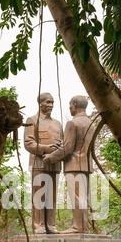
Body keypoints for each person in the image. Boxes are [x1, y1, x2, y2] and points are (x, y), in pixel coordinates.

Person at [43, 95, 94, 233]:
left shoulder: (72, 123)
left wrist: (50, 157)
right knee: (83, 197)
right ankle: (82, 226)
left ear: (75, 105)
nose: (69, 108)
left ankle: (78, 227)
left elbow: (67, 148)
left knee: (77, 197)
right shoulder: (90, 123)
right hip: (86, 166)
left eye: (70, 105)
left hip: (74, 165)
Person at [24, 92, 63, 234]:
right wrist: (47, 148)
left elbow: (63, 143)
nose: (51, 105)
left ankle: (50, 225)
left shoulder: (58, 124)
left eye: (52, 102)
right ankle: (38, 225)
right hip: (38, 163)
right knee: (38, 195)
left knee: (51, 196)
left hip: (54, 164)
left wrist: (58, 150)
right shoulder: (32, 120)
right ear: (40, 103)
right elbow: (28, 143)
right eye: (48, 102)